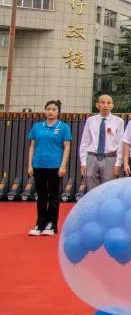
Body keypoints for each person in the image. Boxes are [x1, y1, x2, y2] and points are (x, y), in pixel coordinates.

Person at [26, 100, 72, 236]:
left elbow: (67, 147)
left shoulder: (64, 127)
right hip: (38, 165)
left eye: (53, 109)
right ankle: (40, 224)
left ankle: (51, 224)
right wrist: (30, 164)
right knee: (41, 196)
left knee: (53, 196)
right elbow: (32, 146)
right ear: (45, 111)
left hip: (55, 166)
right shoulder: (37, 127)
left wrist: (63, 165)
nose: (50, 112)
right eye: (48, 109)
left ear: (58, 112)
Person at [77, 94, 125, 191]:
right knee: (92, 189)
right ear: (97, 105)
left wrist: (118, 163)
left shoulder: (118, 121)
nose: (105, 105)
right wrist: (83, 162)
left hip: (110, 158)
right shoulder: (90, 120)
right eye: (102, 102)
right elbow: (85, 142)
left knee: (108, 189)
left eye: (108, 103)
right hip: (92, 157)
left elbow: (120, 144)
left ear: (112, 105)